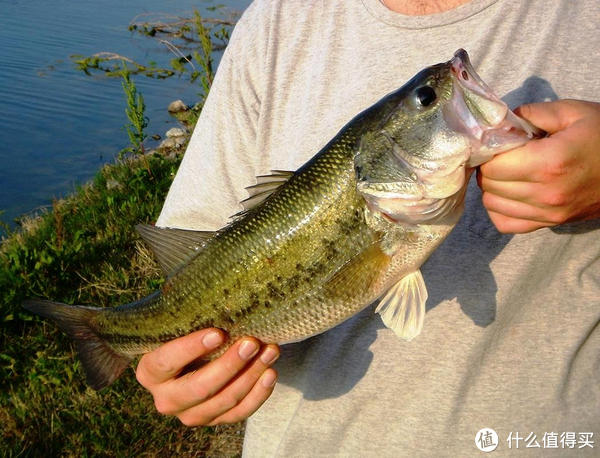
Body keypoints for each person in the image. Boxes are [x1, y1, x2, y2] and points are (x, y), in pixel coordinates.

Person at [135, 0, 600, 455]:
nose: (453, 78)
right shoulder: (274, 22)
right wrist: (182, 374)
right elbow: (193, 270)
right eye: (427, 98)